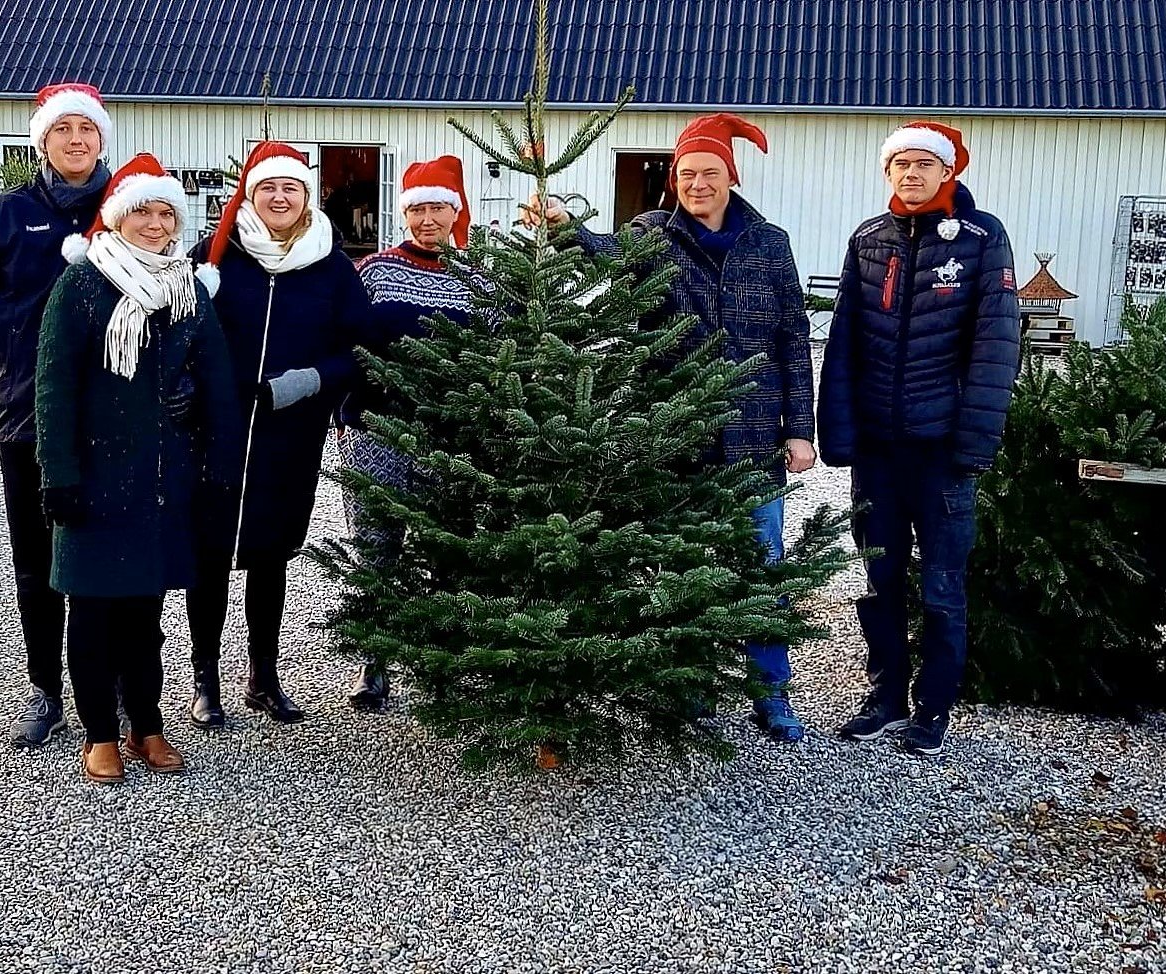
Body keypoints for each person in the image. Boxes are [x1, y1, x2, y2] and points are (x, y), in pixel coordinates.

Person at [525, 114, 817, 741]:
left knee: (761, 564)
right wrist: (565, 227)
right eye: (687, 174)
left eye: (710, 173)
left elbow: (794, 337)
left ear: (730, 178)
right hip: (675, 430)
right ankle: (691, 688)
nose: (698, 184)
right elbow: (604, 253)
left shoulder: (769, 242)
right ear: (674, 180)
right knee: (682, 565)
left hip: (753, 433)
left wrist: (800, 428)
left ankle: (772, 694)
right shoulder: (653, 234)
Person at [35, 154, 241, 783]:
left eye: (166, 214)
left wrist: (221, 461)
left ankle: (146, 723)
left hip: (160, 479)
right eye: (142, 212)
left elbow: (217, 380)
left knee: (146, 614)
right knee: (93, 611)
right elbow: (54, 386)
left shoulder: (188, 289)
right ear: (117, 218)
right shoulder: (82, 284)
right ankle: (99, 732)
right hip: (95, 478)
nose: (155, 224)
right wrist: (58, 475)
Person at [818, 121, 1020, 756]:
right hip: (878, 452)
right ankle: (884, 698)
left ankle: (932, 709)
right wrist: (838, 433)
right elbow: (844, 340)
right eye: (900, 164)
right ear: (888, 172)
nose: (911, 174)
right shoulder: (868, 240)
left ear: (947, 171)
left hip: (942, 451)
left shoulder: (982, 239)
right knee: (878, 581)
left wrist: (974, 442)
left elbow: (996, 347)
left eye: (924, 164)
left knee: (940, 586)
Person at [0, 83, 115, 748]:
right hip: (28, 420)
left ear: (100, 140)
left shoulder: (126, 206)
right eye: (63, 129)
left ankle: (112, 680)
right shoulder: (7, 215)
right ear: (43, 141)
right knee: (38, 561)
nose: (76, 140)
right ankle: (46, 688)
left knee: (107, 553)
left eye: (86, 130)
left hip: (111, 417)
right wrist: (27, 353)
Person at [184, 142, 373, 727]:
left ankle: (263, 677)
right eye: (267, 187)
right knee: (211, 555)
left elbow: (357, 350)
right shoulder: (215, 256)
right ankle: (205, 679)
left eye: (290, 187)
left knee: (270, 556)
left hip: (290, 432)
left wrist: (307, 381)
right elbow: (177, 332)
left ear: (307, 197)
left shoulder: (331, 266)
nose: (279, 197)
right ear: (251, 195)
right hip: (217, 431)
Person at [339, 155, 481, 711]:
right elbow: (345, 340)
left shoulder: (479, 280)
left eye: (438, 208)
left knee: (444, 548)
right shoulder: (374, 271)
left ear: (455, 212)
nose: (427, 220)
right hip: (377, 432)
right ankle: (374, 663)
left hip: (451, 436)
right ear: (404, 215)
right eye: (418, 210)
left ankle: (441, 663)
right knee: (376, 546)